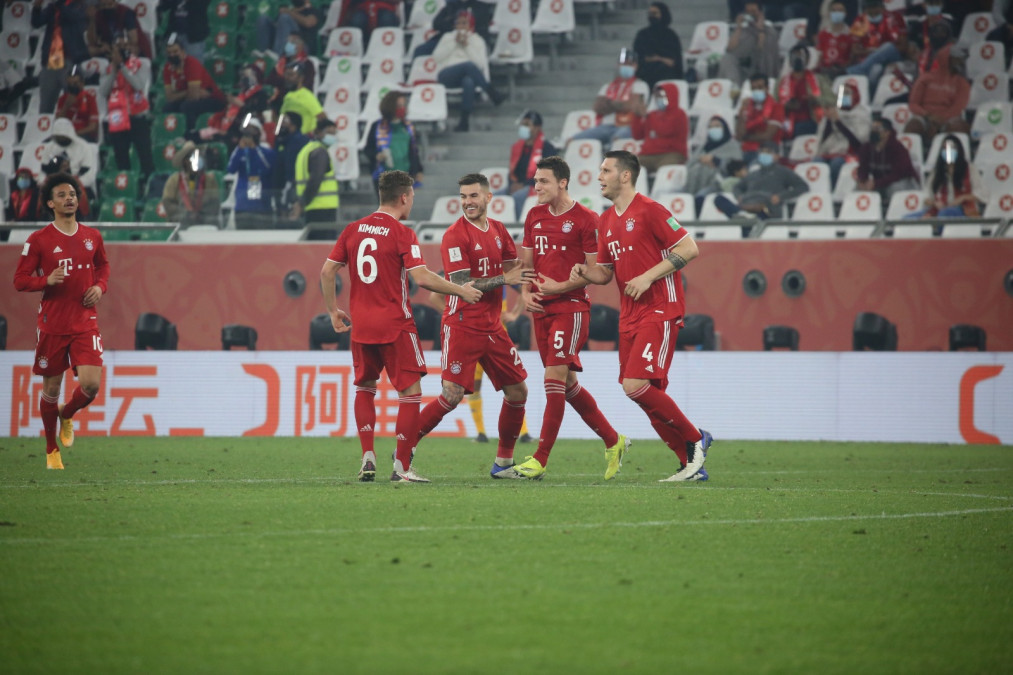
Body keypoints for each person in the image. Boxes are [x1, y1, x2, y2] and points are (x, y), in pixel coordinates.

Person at [320, 170, 481, 483]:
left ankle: (368, 454)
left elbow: (327, 272)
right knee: (410, 393)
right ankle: (402, 467)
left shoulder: (353, 230)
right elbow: (421, 277)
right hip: (395, 324)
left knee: (365, 386)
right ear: (404, 197)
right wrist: (461, 290)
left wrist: (333, 312)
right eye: (413, 197)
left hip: (361, 325)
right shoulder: (402, 233)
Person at [570, 151, 711, 483]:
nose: (599, 176)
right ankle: (690, 465)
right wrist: (585, 273)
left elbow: (689, 248)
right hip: (630, 316)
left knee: (636, 386)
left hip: (661, 309)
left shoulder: (651, 210)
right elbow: (605, 273)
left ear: (625, 176)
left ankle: (695, 439)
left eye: (605, 170)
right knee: (646, 395)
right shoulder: (605, 220)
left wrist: (649, 276)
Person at [510, 156, 629, 480]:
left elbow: (596, 272)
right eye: (535, 182)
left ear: (563, 182)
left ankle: (540, 458)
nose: (537, 188)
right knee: (567, 384)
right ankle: (613, 440)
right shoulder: (533, 216)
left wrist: (559, 287)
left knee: (552, 380)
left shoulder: (586, 219)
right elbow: (527, 266)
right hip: (541, 310)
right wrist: (525, 294)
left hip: (572, 307)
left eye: (543, 181)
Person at [414, 173, 536, 479]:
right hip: (462, 324)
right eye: (464, 197)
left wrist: (528, 281)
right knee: (452, 395)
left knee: (518, 390)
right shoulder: (455, 235)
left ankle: (504, 464)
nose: (468, 202)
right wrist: (504, 280)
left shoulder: (498, 230)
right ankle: (404, 450)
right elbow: (459, 283)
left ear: (488, 197)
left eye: (473, 196)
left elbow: (514, 270)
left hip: (493, 326)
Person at [13, 172, 109, 471]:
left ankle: (67, 413)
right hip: (53, 323)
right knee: (50, 390)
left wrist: (99, 287)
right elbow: (19, 281)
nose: (69, 199)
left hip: (85, 321)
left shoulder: (92, 236)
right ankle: (51, 449)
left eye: (73, 194)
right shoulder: (39, 240)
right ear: (50, 203)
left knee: (91, 386)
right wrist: (45, 280)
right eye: (63, 195)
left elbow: (103, 266)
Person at [432, 9, 505, 132]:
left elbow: (480, 65)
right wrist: (454, 43)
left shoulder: (478, 40)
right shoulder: (447, 37)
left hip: (467, 75)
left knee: (469, 81)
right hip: (447, 75)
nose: (460, 26)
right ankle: (491, 91)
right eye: (458, 23)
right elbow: (436, 57)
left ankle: (464, 121)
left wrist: (466, 46)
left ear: (471, 25)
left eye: (464, 23)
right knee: (468, 66)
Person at [98, 34, 155, 179]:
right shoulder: (108, 69)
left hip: (137, 117)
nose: (123, 49)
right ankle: (127, 187)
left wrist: (123, 66)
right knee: (121, 159)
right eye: (119, 47)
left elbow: (138, 85)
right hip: (118, 120)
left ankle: (149, 187)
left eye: (125, 45)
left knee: (145, 157)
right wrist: (115, 70)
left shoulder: (141, 63)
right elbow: (104, 91)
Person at [571, 48, 650, 147]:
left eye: (630, 64)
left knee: (616, 140)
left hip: (628, 126)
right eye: (623, 64)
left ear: (636, 66)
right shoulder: (607, 86)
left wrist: (610, 103)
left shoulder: (640, 85)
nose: (626, 66)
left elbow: (633, 106)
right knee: (574, 140)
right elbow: (597, 107)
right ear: (618, 65)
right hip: (605, 126)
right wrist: (622, 104)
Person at [713, 141, 810, 221]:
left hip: (766, 207)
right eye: (762, 152)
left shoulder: (783, 171)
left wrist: (781, 196)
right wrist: (739, 196)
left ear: (776, 156)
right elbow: (737, 187)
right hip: (747, 204)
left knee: (758, 209)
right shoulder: (753, 173)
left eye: (768, 152)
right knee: (718, 199)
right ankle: (742, 214)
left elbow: (802, 186)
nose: (764, 155)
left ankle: (742, 215)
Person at [903, 44, 971, 145]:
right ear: (947, 59)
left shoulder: (962, 83)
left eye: (961, 59)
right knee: (913, 126)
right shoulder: (925, 78)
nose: (960, 62)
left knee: (959, 128)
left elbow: (958, 107)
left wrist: (940, 120)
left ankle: (950, 159)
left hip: (948, 118)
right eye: (956, 59)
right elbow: (913, 103)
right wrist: (928, 116)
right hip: (925, 116)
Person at [905, 134, 987, 218]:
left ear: (959, 150)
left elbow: (982, 194)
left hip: (964, 210)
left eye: (952, 148)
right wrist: (934, 203)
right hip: (939, 209)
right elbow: (926, 196)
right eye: (945, 149)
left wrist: (962, 198)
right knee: (908, 219)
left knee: (944, 214)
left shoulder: (970, 169)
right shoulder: (937, 171)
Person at [32, 0, 90, 114]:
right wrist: (37, 7)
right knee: (45, 107)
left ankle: (76, 128)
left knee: (73, 101)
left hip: (70, 60)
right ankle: (46, 129)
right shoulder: (52, 7)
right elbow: (36, 23)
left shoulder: (80, 5)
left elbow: (73, 17)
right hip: (51, 60)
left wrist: (58, 5)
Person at [161, 33, 226, 131]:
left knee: (187, 106)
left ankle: (190, 134)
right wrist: (188, 92)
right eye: (169, 53)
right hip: (195, 97)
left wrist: (185, 94)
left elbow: (193, 97)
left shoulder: (192, 63)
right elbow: (170, 97)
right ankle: (171, 136)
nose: (172, 55)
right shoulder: (167, 68)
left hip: (214, 99)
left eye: (175, 51)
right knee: (167, 108)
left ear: (183, 52)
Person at [498, 110, 557, 218]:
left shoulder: (547, 148)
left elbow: (547, 174)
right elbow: (512, 172)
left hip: (535, 185)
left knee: (518, 196)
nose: (523, 128)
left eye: (527, 125)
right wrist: (512, 185)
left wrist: (523, 185)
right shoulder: (517, 148)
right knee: (492, 197)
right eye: (522, 124)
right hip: (518, 185)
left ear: (537, 128)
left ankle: (518, 228)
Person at [364, 90, 424, 191]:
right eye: (399, 105)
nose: (402, 108)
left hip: (405, 175)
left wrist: (419, 170)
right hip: (384, 175)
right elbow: (368, 149)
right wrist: (376, 155)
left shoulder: (408, 126)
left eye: (403, 105)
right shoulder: (377, 126)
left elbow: (414, 151)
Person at [845, 0, 908, 93]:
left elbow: (903, 46)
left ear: (882, 7)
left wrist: (882, 52)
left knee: (888, 46)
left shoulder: (895, 17)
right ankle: (871, 97)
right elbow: (855, 50)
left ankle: (858, 70)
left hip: (892, 57)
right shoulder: (860, 21)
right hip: (869, 59)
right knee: (876, 69)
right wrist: (876, 52)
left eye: (876, 9)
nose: (873, 12)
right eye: (870, 9)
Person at [815, 81, 871, 185]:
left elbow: (859, 142)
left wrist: (838, 122)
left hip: (852, 152)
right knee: (817, 161)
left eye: (847, 93)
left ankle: (833, 190)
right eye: (841, 94)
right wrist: (829, 120)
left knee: (836, 163)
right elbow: (822, 138)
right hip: (831, 151)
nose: (843, 96)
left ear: (855, 95)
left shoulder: (862, 113)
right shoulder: (835, 111)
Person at [290, 117, 339, 231]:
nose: (332, 137)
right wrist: (302, 203)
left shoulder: (305, 150)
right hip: (323, 208)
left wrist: (300, 202)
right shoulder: (320, 152)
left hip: (311, 207)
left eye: (334, 133)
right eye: (329, 133)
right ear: (318, 132)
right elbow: (315, 180)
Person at [856, 117, 920, 202]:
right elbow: (862, 168)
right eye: (872, 128)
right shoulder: (866, 148)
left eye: (877, 129)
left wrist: (876, 183)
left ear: (887, 132)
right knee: (857, 189)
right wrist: (862, 181)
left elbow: (898, 174)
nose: (873, 131)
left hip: (904, 182)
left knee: (894, 188)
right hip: (880, 182)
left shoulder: (898, 149)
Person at [227, 119, 277, 229]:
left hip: (262, 206)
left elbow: (268, 167)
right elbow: (231, 169)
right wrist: (240, 149)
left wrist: (254, 148)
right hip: (242, 205)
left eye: (251, 131)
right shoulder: (239, 150)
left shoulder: (266, 150)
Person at [684, 115, 743, 208]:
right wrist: (701, 160)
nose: (713, 129)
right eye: (710, 127)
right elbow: (689, 165)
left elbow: (737, 168)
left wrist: (716, 160)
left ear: (725, 128)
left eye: (717, 126)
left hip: (720, 185)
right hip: (695, 184)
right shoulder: (703, 148)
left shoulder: (733, 146)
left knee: (700, 197)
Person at [630, 82, 689, 172]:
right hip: (648, 155)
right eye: (657, 96)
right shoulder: (652, 115)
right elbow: (637, 136)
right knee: (628, 167)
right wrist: (637, 116)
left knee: (665, 170)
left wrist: (646, 117)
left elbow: (665, 130)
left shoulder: (680, 114)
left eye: (662, 96)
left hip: (672, 154)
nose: (659, 99)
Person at [160, 141, 222, 226]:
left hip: (204, 223)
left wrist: (201, 214)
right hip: (181, 223)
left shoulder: (209, 180)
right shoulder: (174, 180)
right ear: (185, 161)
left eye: (198, 156)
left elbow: (215, 203)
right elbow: (168, 203)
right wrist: (186, 214)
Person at [719, 1, 779, 85]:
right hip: (743, 68)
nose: (751, 15)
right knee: (727, 58)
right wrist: (739, 27)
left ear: (761, 13)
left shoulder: (769, 32)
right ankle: (735, 90)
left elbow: (762, 53)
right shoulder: (744, 30)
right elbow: (729, 49)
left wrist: (760, 30)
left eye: (753, 12)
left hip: (761, 68)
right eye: (748, 12)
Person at [411, 0, 494, 59]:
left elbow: (481, 28)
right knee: (419, 51)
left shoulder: (480, 7)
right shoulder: (451, 5)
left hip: (471, 40)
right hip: (447, 39)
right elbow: (436, 24)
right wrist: (454, 29)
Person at [735, 72, 785, 165]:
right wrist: (742, 111)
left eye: (760, 87)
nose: (756, 91)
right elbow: (739, 136)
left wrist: (747, 137)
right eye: (753, 89)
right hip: (744, 150)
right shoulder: (747, 106)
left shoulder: (777, 107)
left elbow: (767, 136)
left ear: (767, 88)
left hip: (765, 152)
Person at [633, 3, 683, 90]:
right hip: (645, 74)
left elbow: (673, 62)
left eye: (655, 13)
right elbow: (639, 57)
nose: (652, 16)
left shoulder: (671, 36)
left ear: (663, 14)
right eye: (650, 13)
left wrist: (658, 58)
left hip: (667, 75)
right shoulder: (642, 35)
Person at [778, 44, 824, 139]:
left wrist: (815, 100)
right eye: (795, 56)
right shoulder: (782, 81)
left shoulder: (818, 79)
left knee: (803, 128)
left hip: (811, 119)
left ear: (807, 60)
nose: (797, 59)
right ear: (790, 60)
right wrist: (786, 106)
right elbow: (775, 103)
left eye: (801, 56)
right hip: (787, 119)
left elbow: (830, 100)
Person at [41, 118, 96, 194]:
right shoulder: (49, 147)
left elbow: (89, 175)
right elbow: (42, 171)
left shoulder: (83, 147)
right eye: (58, 136)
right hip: (54, 185)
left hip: (77, 185)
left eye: (63, 136)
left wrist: (73, 182)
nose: (60, 139)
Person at [272, 110, 310, 216]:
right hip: (278, 187)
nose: (281, 124)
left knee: (292, 215)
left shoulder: (301, 140)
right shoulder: (280, 140)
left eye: (285, 121)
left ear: (294, 124)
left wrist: (291, 182)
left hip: (294, 186)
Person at [87, 0, 152, 59]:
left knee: (131, 49)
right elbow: (92, 42)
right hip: (110, 49)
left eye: (109, 4)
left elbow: (134, 40)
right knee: (90, 50)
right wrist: (92, 20)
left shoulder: (126, 12)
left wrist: (122, 43)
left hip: (130, 48)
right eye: (104, 5)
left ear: (115, 3)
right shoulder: (99, 15)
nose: (107, 7)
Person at [54, 65, 99, 143]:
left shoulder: (89, 98)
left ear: (82, 83)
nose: (72, 86)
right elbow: (57, 122)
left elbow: (93, 127)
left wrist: (74, 133)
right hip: (65, 136)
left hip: (83, 135)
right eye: (69, 84)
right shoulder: (63, 99)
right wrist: (66, 106)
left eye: (75, 83)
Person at [277, 62, 325, 135]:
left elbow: (322, 117)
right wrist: (277, 133)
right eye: (286, 75)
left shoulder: (306, 95)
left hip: (303, 139)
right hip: (289, 138)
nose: (287, 78)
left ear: (301, 78)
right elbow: (281, 117)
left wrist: (313, 134)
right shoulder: (288, 96)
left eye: (291, 75)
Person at [816, 1, 854, 79]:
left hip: (842, 71)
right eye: (834, 10)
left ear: (845, 13)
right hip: (825, 71)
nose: (837, 13)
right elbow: (819, 56)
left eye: (840, 10)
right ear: (829, 13)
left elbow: (852, 57)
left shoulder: (850, 35)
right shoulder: (823, 34)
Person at [339, 0, 403, 45]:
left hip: (385, 7)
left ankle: (385, 47)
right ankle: (357, 49)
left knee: (386, 19)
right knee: (357, 20)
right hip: (363, 7)